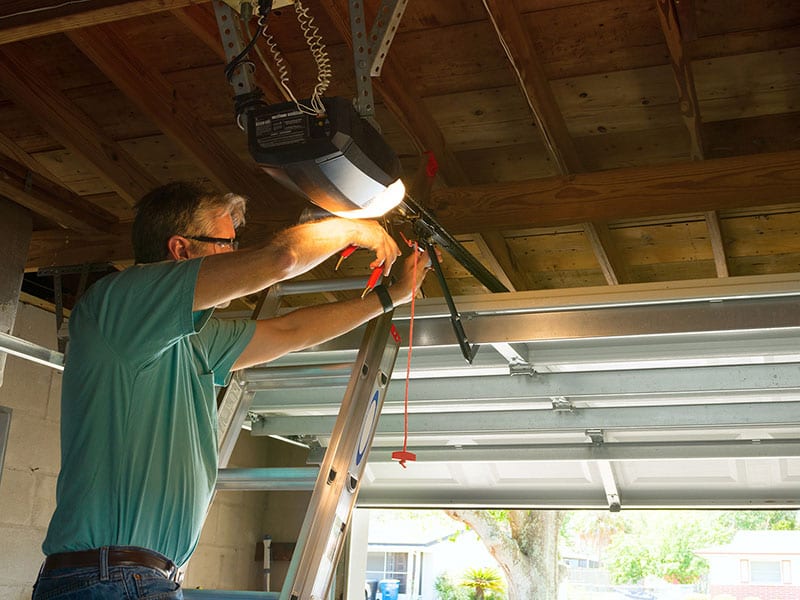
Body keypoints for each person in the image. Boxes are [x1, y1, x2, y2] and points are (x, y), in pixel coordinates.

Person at [33, 181, 434, 599]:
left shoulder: (194, 341)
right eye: (226, 243)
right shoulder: (119, 305)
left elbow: (290, 331)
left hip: (133, 578)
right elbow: (282, 258)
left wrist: (387, 297)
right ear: (181, 249)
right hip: (111, 577)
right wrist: (355, 229)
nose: (234, 254)